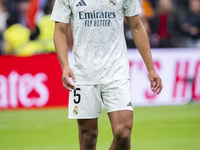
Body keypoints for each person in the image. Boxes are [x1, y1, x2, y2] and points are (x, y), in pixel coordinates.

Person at [51, 0, 163, 149]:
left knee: (123, 133)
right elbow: (60, 29)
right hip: (84, 73)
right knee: (88, 136)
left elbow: (136, 26)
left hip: (116, 69)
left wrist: (151, 68)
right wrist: (65, 66)